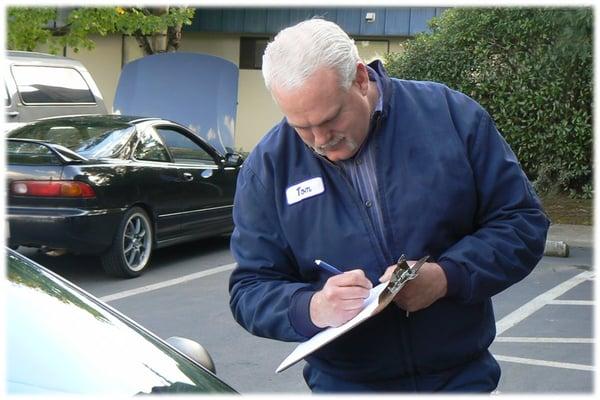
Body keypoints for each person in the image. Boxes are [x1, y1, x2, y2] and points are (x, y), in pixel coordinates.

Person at [228, 18, 549, 393]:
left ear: (361, 79)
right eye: (301, 127)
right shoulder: (269, 167)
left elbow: (521, 223)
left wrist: (448, 277)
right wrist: (311, 307)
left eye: (330, 119)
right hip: (346, 386)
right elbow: (249, 288)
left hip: (459, 380)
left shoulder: (450, 117)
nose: (318, 141)